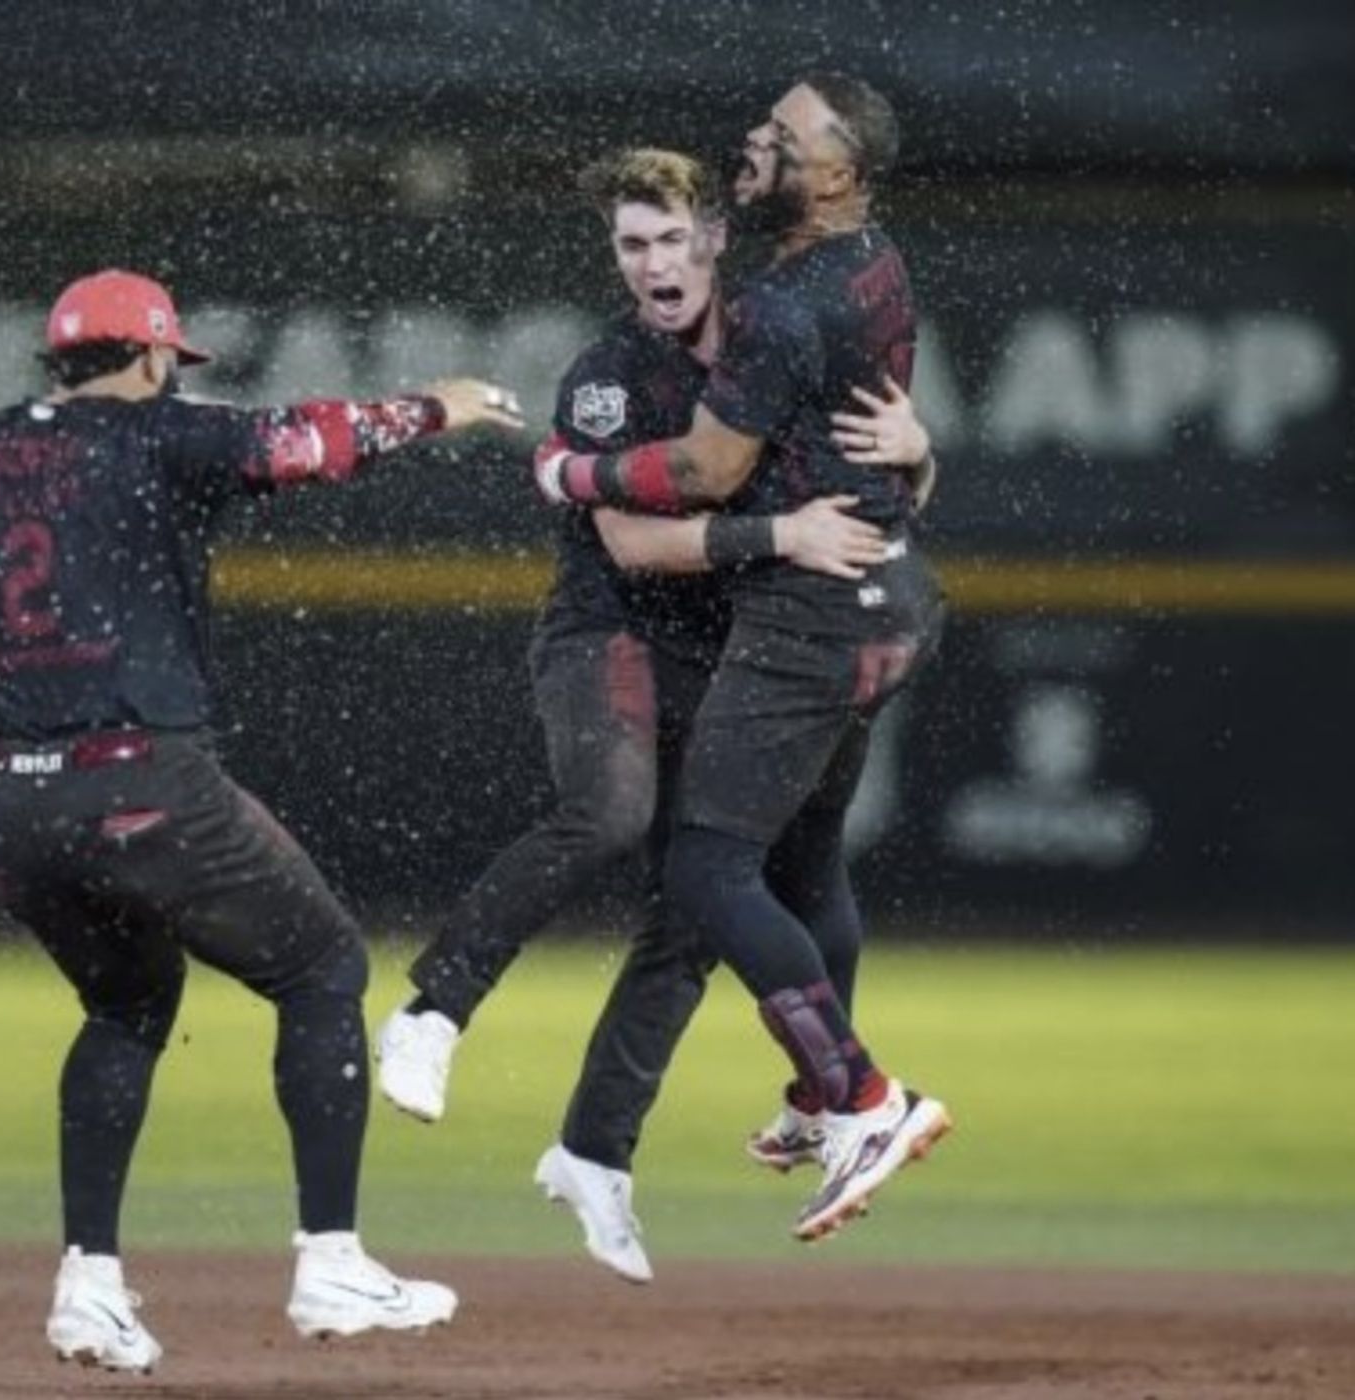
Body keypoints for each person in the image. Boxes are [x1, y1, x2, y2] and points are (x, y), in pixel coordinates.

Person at [0, 268, 523, 1372]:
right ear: (157, 357)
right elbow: (306, 439)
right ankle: (331, 1256)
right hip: (141, 779)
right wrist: (437, 405)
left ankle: (90, 1285)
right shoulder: (161, 433)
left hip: (6, 799)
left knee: (126, 1003)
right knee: (319, 965)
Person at [378, 147, 933, 1274]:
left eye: (673, 239)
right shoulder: (607, 372)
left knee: (709, 901)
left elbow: (885, 474)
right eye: (632, 244)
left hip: (741, 645)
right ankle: (433, 1009)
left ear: (717, 242)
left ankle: (596, 1149)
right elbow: (633, 541)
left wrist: (921, 455)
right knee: (613, 815)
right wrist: (778, 535)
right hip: (611, 634)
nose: (654, 264)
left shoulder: (782, 335)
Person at [532, 73, 953, 1243]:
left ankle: (865, 1098)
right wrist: (920, 457)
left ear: (841, 169)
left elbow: (710, 472)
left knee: (709, 871)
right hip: (893, 593)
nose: (756, 139)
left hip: (813, 612)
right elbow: (873, 429)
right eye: (762, 120)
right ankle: (820, 1099)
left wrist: (573, 471)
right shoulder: (876, 259)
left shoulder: (779, 302)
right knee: (810, 867)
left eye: (786, 134)